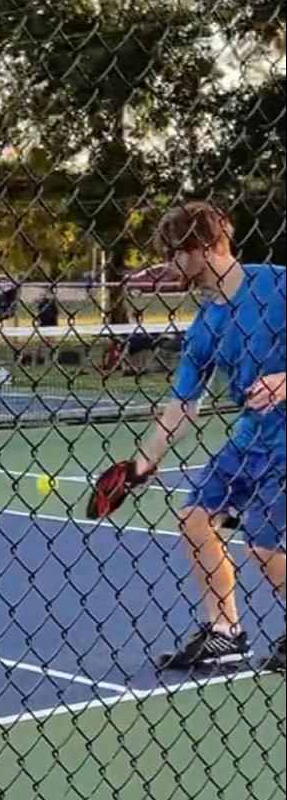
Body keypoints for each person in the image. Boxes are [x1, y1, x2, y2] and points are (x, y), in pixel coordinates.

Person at [115, 202, 284, 673]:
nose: (170, 265)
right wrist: (143, 460)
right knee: (194, 518)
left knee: (263, 546)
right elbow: (184, 404)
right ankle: (225, 631)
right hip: (250, 439)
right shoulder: (206, 324)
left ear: (202, 248)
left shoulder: (278, 283)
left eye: (174, 254)